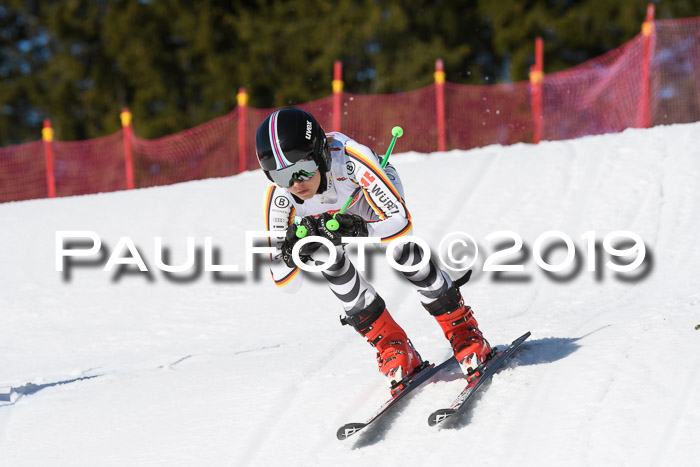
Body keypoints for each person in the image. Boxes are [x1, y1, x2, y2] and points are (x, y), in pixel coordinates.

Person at [257, 107, 491, 396]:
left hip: (366, 198)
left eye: (301, 168)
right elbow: (284, 282)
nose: (295, 184)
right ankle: (393, 345)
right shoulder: (281, 197)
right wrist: (293, 254)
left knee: (402, 250)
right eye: (280, 176)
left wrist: (360, 230)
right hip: (336, 218)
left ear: (320, 154)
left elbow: (402, 223)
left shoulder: (352, 159)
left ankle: (462, 329)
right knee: (321, 252)